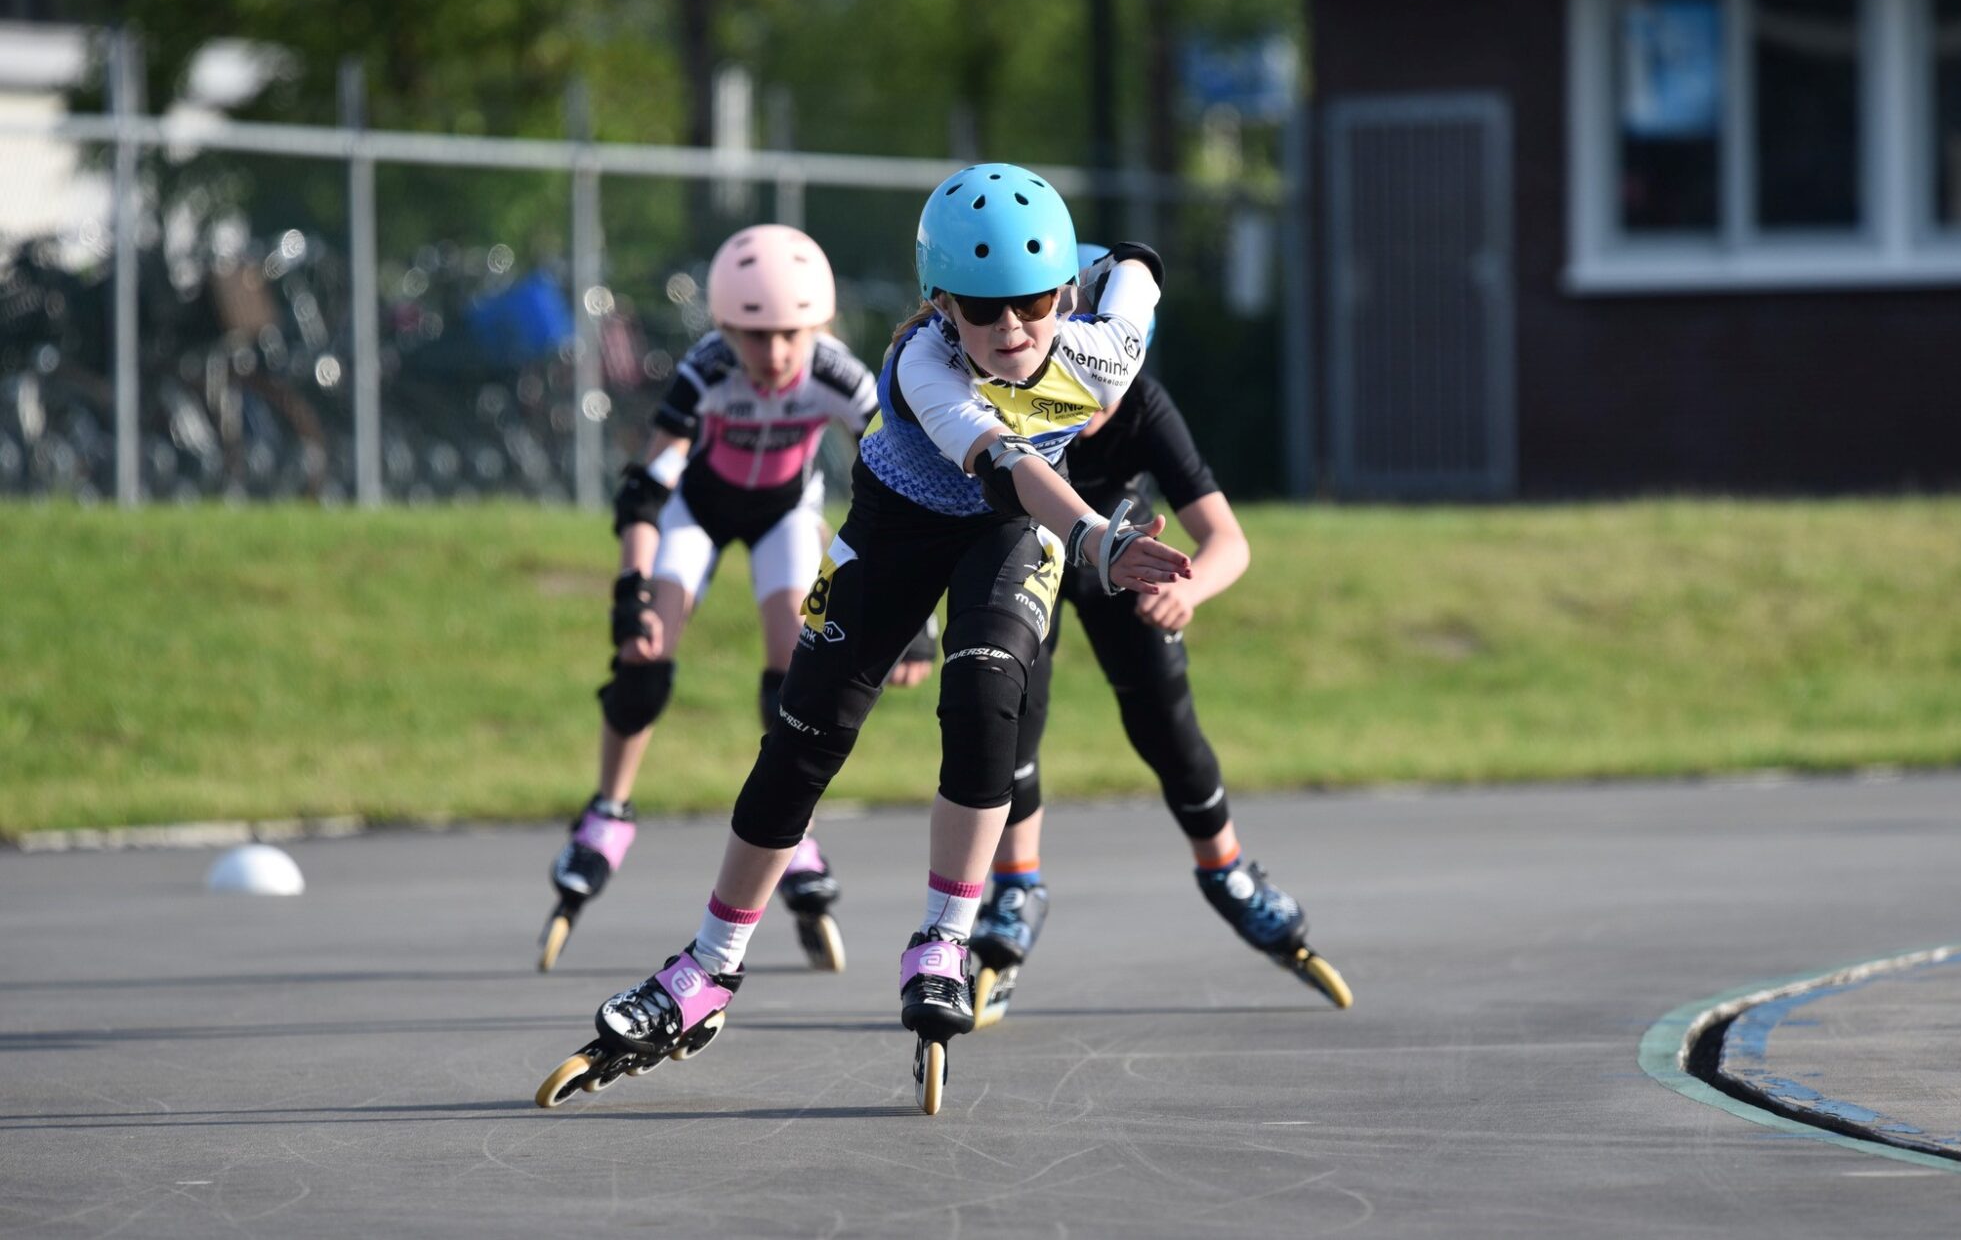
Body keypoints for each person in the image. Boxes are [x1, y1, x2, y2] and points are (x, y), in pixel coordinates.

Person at [534, 164, 1190, 1115]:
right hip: (904, 523)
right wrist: (1096, 534)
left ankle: (943, 939)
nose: (1010, 331)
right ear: (937, 303)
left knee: (984, 704)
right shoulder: (923, 361)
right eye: (979, 308)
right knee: (802, 738)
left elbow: (1141, 265)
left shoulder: (1106, 345)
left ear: (1067, 292)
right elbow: (1001, 462)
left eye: (1035, 302)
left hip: (1010, 539)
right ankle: (711, 968)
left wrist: (1111, 266)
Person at [965, 249, 1352, 1025]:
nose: (1089, 398)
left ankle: (1227, 869)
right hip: (1027, 552)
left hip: (1124, 560)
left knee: (1167, 723)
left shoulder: (1143, 404)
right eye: (1076, 374)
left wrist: (1189, 587)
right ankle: (1015, 886)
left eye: (1109, 374)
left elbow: (1228, 541)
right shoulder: (994, 390)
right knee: (1007, 719)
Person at [538, 224, 896, 975]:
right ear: (725, 327)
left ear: (820, 325)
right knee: (645, 658)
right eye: (754, 335)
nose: (773, 355)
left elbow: (909, 482)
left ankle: (794, 830)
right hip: (695, 510)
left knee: (797, 666)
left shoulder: (839, 374)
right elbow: (645, 488)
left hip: (785, 512)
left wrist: (915, 616)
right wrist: (632, 591)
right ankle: (608, 811)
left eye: (791, 334)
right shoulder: (704, 371)